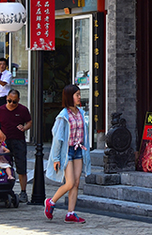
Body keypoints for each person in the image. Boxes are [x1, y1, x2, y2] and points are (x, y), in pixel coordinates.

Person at [44, 84, 91, 224]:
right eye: (76, 95)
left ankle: (70, 213)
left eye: (79, 94)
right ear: (69, 97)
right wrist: (56, 158)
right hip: (67, 151)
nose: (79, 97)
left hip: (78, 150)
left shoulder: (81, 112)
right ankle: (51, 202)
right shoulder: (63, 116)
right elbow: (58, 138)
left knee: (76, 183)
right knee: (70, 183)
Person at [0, 88, 32, 202]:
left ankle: (23, 192)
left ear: (18, 100)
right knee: (3, 165)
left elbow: (29, 121)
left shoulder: (23, 110)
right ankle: (2, 189)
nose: (11, 104)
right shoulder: (1, 110)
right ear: (6, 98)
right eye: (9, 101)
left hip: (18, 141)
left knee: (21, 167)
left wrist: (24, 128)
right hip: (4, 142)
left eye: (14, 102)